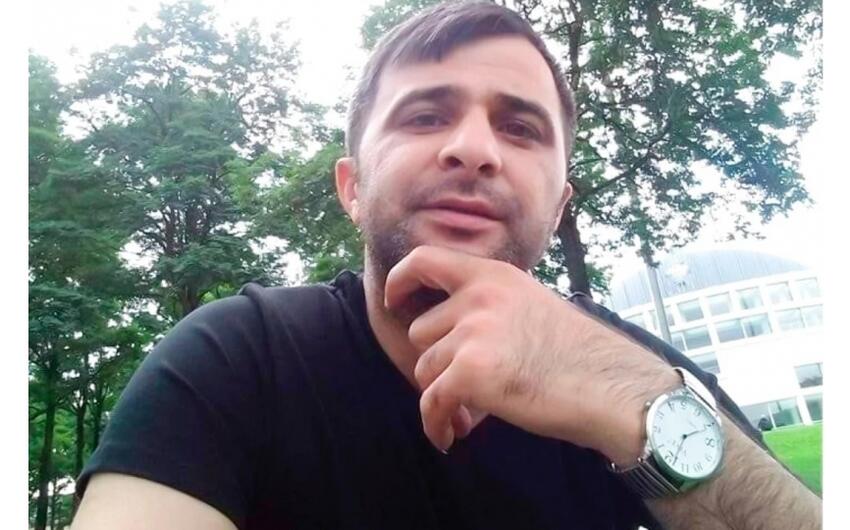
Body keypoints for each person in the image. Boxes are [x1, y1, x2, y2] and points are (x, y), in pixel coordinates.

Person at [71, 2, 822, 529]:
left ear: (558, 207)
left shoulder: (636, 372)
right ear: (352, 188)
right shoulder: (239, 358)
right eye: (426, 115)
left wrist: (631, 399)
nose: (474, 149)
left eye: (520, 128)